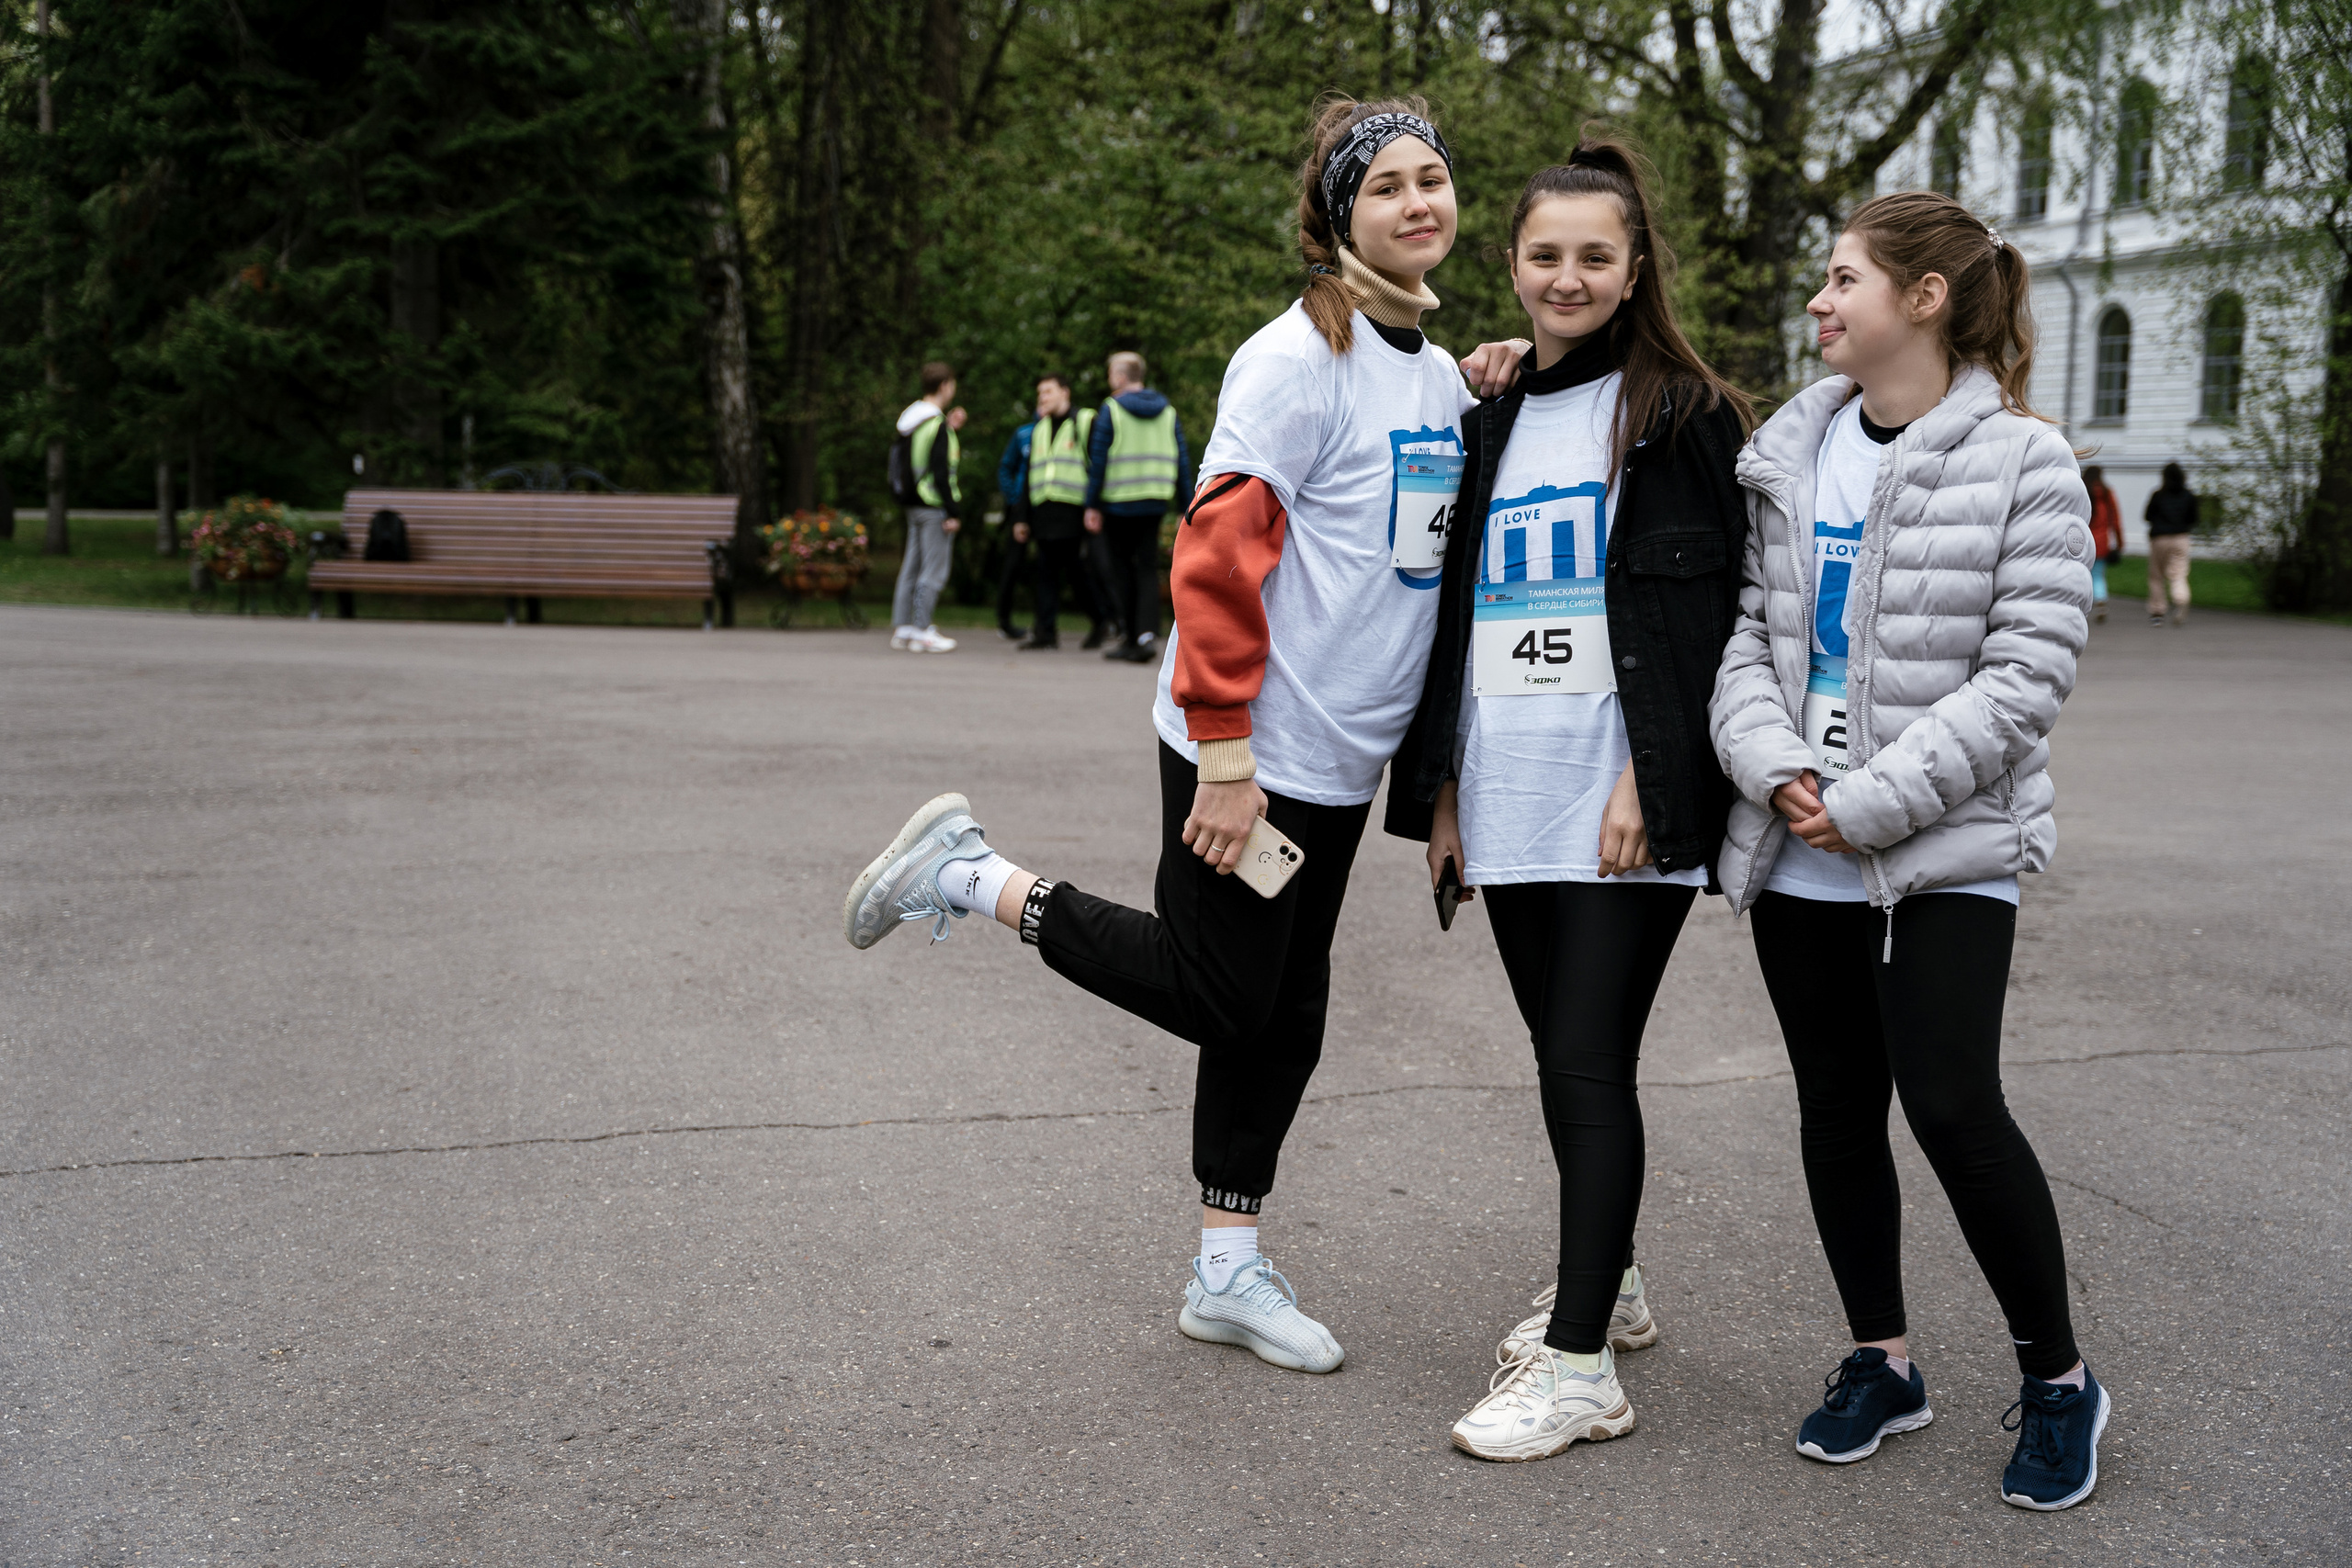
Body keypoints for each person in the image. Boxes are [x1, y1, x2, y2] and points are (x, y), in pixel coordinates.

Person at [843, 97, 1525, 1375]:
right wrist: (1223, 751)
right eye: (1387, 185)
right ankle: (967, 872)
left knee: (1285, 1012)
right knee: (1221, 989)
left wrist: (1428, 783)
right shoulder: (1291, 360)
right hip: (1249, 745)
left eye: (1435, 177)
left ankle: (1225, 1269)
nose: (1420, 201)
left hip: (1339, 759)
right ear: (1337, 215)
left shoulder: (1434, 375)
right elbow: (1215, 556)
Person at [1711, 191, 2108, 1511]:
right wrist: (1776, 769)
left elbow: (2026, 673)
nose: (1819, 304)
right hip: (1797, 836)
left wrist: (1870, 798)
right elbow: (1748, 644)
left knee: (1950, 1101)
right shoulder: (1787, 452)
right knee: (1837, 1105)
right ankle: (1883, 1359)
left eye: (1841, 281)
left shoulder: (2027, 464)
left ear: (1923, 298)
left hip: (1942, 847)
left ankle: (2059, 1379)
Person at [1385, 136, 1752, 1462]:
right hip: (1503, 787)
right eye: (1546, 254)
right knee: (1560, 1059)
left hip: (1619, 802)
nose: (1568, 276)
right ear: (1513, 264)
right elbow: (1464, 621)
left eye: (1596, 255)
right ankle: (1619, 1281)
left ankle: (1584, 1360)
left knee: (1589, 1062)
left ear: (1635, 265)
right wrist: (1441, 796)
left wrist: (1654, 783)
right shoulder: (1488, 417)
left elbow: (1718, 620)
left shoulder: (1684, 412)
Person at [1084, 353, 1194, 663]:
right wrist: (1187, 507)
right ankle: (1147, 635)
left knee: (1121, 570)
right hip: (1154, 500)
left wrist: (1092, 505)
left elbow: (1099, 461)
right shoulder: (1168, 412)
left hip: (1118, 503)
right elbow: (1182, 461)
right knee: (1147, 569)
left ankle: (1131, 637)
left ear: (1120, 377)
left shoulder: (1112, 409)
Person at [1018, 374, 1116, 650]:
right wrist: (1022, 517)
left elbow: (1098, 465)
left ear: (1065, 392)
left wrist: (1094, 505)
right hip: (1044, 509)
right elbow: (1030, 474)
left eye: (1048, 391)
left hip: (1073, 508)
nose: (1042, 398)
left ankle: (1101, 620)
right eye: (1040, 393)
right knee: (1046, 571)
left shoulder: (1084, 420)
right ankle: (1045, 633)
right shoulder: (1039, 428)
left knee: (1076, 571)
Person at [890, 362, 967, 654]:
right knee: (933, 570)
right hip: (933, 505)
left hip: (912, 503)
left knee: (911, 566)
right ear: (946, 385)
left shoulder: (912, 420)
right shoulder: (935, 425)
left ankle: (904, 628)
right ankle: (922, 630)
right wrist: (952, 511)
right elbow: (940, 472)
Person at [990, 415, 1036, 643]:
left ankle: (1044, 623)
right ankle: (1004, 620)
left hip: (1048, 509)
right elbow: (1005, 468)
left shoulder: (1068, 429)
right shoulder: (1023, 434)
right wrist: (1014, 500)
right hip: (1020, 508)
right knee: (1013, 564)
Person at [2144, 461, 2197, 626]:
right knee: (2178, 574)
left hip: (2159, 538)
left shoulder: (2158, 495)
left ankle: (2157, 612)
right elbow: (2194, 518)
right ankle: (2180, 600)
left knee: (2156, 576)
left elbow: (2147, 515)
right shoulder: (2189, 496)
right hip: (2181, 538)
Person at [2083, 465, 2122, 622]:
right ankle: (2100, 599)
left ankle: (2083, 605)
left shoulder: (2082, 491)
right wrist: (2120, 542)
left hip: (2082, 541)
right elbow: (2116, 520)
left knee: (2082, 574)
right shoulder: (2107, 494)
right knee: (2098, 574)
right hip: (2102, 542)